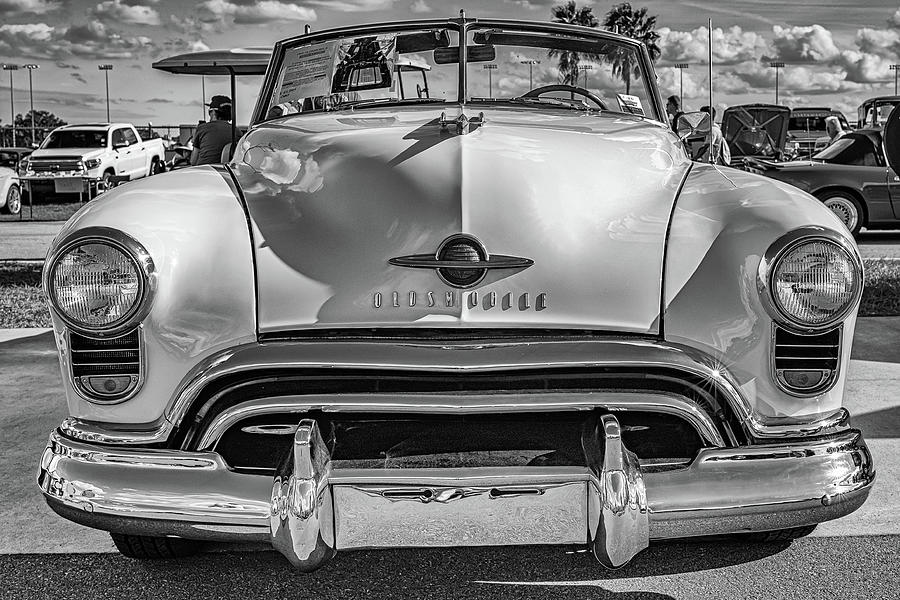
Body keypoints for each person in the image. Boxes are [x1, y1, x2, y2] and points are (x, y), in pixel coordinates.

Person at [191, 95, 233, 166]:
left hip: (204, 171)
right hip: (226, 173)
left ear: (213, 112)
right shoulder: (237, 132)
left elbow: (193, 161)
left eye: (209, 111)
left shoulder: (202, 128)